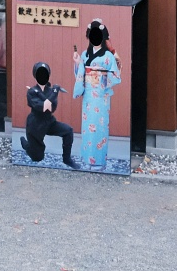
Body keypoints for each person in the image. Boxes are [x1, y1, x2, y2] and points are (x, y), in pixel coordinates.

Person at [72, 19, 121, 170]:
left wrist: (99, 77)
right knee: (88, 127)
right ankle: (87, 160)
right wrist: (78, 63)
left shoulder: (108, 56)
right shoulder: (85, 55)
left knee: (100, 128)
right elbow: (80, 73)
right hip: (88, 97)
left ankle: (99, 162)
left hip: (101, 96)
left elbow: (116, 76)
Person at [20, 62, 79, 169]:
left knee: (68, 131)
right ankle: (26, 145)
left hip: (49, 121)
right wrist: (55, 92)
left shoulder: (49, 91)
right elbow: (42, 107)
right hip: (35, 124)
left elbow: (51, 108)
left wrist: (49, 96)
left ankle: (67, 159)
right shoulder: (32, 92)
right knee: (37, 157)